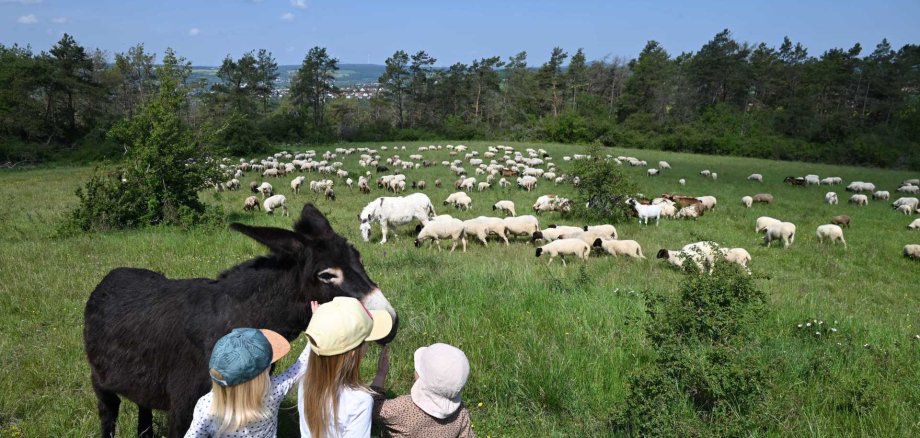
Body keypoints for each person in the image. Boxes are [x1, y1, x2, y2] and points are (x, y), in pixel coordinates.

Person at [185, 316, 314, 437]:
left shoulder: (207, 407)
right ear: (260, 377)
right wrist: (316, 329)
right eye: (269, 362)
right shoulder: (273, 391)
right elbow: (299, 367)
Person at [298, 296, 394, 438]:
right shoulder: (360, 401)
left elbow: (317, 348)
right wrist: (380, 377)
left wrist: (322, 327)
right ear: (353, 354)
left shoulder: (305, 380)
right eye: (366, 339)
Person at [371, 343, 475, 438]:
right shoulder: (461, 413)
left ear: (421, 377)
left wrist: (380, 374)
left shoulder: (402, 408)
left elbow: (373, 406)